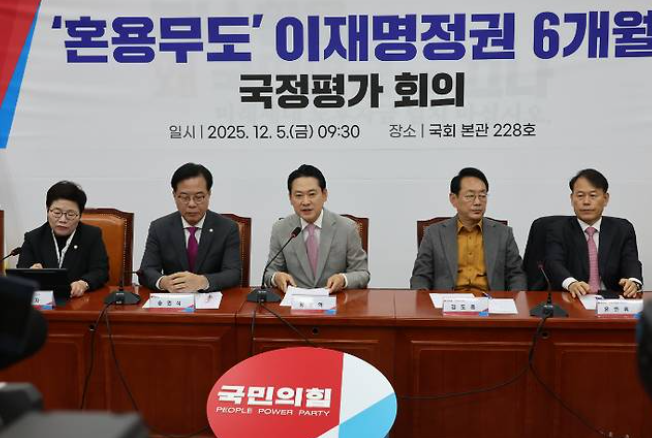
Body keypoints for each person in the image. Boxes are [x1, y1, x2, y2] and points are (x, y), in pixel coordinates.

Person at [410, 167, 527, 292]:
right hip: (448, 301)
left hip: (490, 301)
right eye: (470, 196)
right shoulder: (434, 233)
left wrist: (515, 298)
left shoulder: (503, 233)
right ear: (453, 199)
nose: (477, 202)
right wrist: (423, 297)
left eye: (482, 196)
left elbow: (516, 275)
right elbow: (420, 276)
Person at [263, 164, 369, 293]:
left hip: (335, 300)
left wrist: (343, 279)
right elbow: (269, 273)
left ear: (324, 195)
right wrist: (276, 277)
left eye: (312, 194)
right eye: (299, 195)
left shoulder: (347, 228)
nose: (306, 202)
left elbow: (362, 273)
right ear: (290, 198)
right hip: (295, 302)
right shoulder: (280, 229)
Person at [140, 163, 241, 293]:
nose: (192, 204)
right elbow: (146, 270)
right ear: (174, 195)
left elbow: (233, 273)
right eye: (184, 197)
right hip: (175, 298)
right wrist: (164, 282)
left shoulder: (227, 228)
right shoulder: (159, 228)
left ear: (209, 194)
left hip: (213, 299)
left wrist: (203, 282)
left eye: (199, 197)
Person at [545, 168, 642, 298]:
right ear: (572, 198)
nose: (586, 202)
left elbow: (631, 261)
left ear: (605, 198)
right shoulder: (557, 229)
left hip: (610, 299)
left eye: (593, 195)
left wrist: (633, 281)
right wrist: (571, 283)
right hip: (572, 298)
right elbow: (553, 263)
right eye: (580, 195)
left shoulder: (622, 229)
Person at [16, 181, 109, 296]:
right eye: (57, 213)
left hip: (79, 301)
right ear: (47, 210)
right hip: (43, 301)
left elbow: (101, 271)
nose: (63, 220)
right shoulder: (33, 238)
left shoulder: (91, 235)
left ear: (80, 215)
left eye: (70, 214)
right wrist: (30, 272)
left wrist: (83, 283)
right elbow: (21, 273)